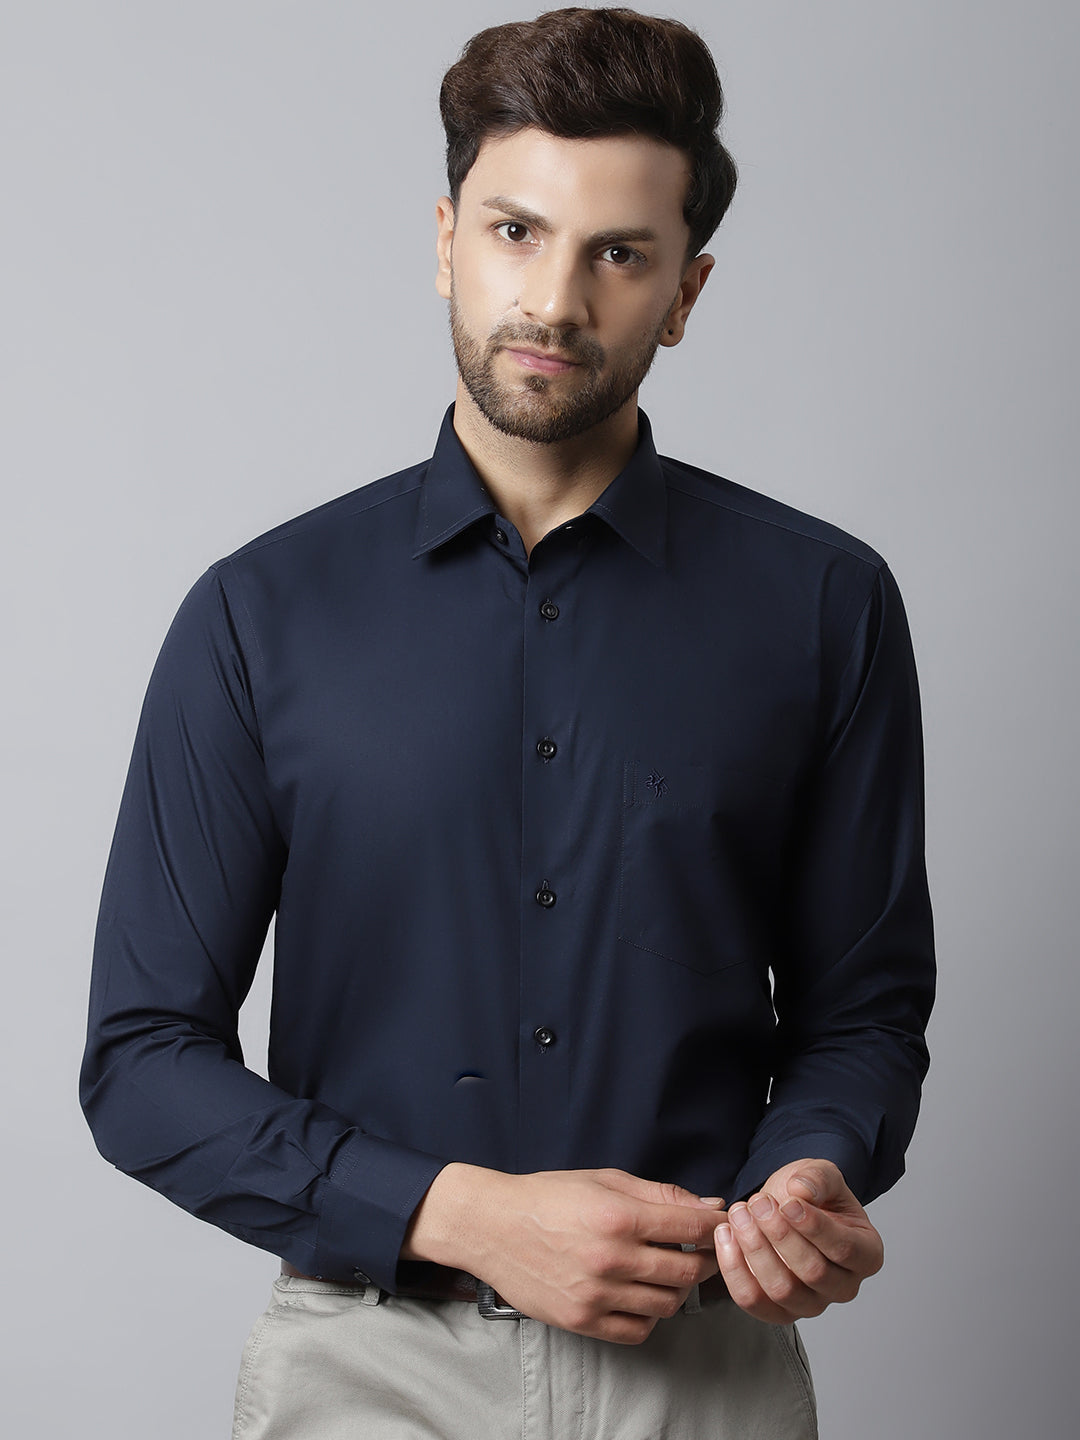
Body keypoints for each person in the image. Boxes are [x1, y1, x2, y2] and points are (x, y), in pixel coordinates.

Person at [81, 8, 935, 1437]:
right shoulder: (257, 614)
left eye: (620, 254)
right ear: (446, 241)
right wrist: (461, 1214)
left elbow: (864, 1017)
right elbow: (141, 1062)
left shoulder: (825, 605)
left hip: (703, 1369)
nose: (553, 300)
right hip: (367, 1372)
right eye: (516, 232)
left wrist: (809, 1172)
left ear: (686, 292)